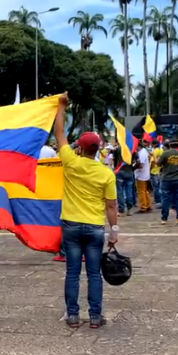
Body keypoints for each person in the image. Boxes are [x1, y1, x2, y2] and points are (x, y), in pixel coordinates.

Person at [53, 93, 118, 329]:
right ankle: (95, 316)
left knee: (72, 273)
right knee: (93, 274)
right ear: (98, 149)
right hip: (94, 227)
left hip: (70, 225)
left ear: (79, 148)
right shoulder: (106, 173)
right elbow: (111, 206)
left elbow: (59, 133)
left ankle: (72, 315)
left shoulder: (70, 161)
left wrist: (61, 106)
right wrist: (115, 230)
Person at [158, 142, 178, 225]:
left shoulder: (165, 154)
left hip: (166, 179)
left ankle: (164, 218)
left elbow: (158, 164)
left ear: (170, 146)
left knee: (165, 198)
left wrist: (157, 159)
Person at [113, 147, 134, 216]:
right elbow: (135, 161)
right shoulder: (131, 148)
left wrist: (115, 169)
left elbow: (114, 160)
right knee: (129, 190)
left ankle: (121, 210)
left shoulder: (117, 149)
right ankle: (129, 209)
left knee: (120, 191)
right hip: (129, 171)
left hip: (119, 171)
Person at [134, 141, 152, 213]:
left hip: (141, 175)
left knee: (141, 192)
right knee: (145, 191)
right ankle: (148, 205)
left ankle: (143, 207)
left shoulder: (142, 153)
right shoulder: (143, 151)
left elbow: (140, 165)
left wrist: (133, 167)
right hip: (144, 174)